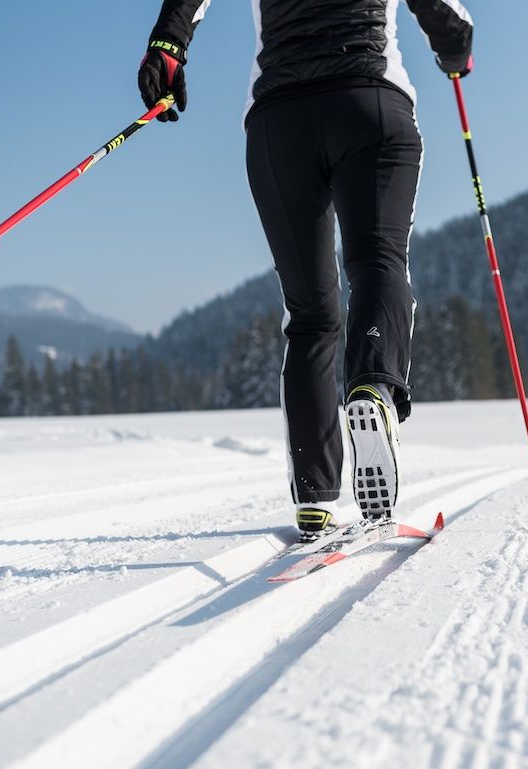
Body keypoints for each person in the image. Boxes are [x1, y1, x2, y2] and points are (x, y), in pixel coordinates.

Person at [139, 0, 474, 540]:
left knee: (311, 312)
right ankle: (372, 386)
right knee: (378, 261)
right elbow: (448, 18)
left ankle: (315, 493)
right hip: (369, 103)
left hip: (279, 122)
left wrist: (167, 46)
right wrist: (455, 51)